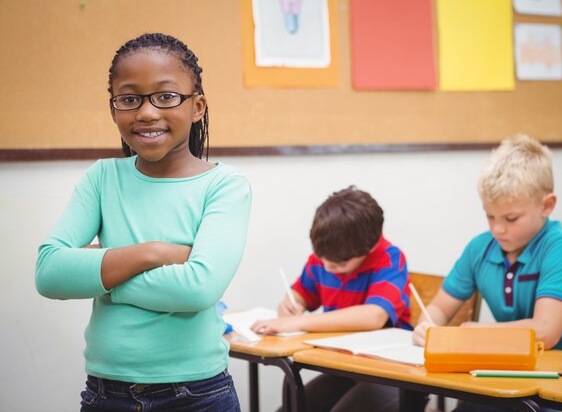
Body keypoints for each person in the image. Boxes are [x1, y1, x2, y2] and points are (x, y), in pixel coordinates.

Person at [35, 33, 251, 412]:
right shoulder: (102, 178)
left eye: (166, 96)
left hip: (198, 394)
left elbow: (198, 289)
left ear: (197, 106)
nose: (147, 112)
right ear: (113, 107)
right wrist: (153, 253)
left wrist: (104, 275)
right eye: (129, 99)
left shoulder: (224, 185)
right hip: (107, 394)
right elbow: (50, 273)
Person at [412, 134, 562, 412]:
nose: (498, 229)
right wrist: (427, 328)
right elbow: (439, 307)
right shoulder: (479, 248)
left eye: (511, 219)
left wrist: (477, 333)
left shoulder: (561, 247)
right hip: (508, 378)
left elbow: (546, 331)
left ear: (547, 206)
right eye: (490, 216)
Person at [252, 186, 426, 412]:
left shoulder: (389, 258)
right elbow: (302, 294)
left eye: (339, 264)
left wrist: (296, 322)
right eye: (323, 259)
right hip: (346, 368)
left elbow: (373, 316)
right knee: (293, 406)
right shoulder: (326, 256)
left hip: (394, 372)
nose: (327, 267)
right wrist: (292, 302)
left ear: (370, 247)